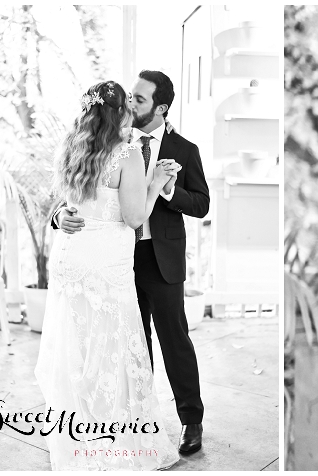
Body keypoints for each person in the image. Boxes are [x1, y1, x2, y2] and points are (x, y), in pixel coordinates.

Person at [54, 70, 211, 455]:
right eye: (130, 98)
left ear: (160, 107)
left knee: (175, 340)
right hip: (112, 258)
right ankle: (137, 417)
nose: (130, 104)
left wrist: (169, 189)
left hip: (160, 258)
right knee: (127, 345)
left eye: (139, 100)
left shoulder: (185, 148)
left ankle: (191, 419)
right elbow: (78, 194)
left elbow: (202, 203)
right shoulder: (111, 141)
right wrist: (59, 216)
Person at [34, 80, 181, 470]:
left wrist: (60, 215)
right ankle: (116, 440)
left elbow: (68, 202)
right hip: (106, 264)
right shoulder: (128, 153)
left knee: (76, 347)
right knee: (111, 347)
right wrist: (155, 185)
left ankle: (76, 436)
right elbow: (134, 217)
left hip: (71, 261)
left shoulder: (70, 146)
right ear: (120, 114)